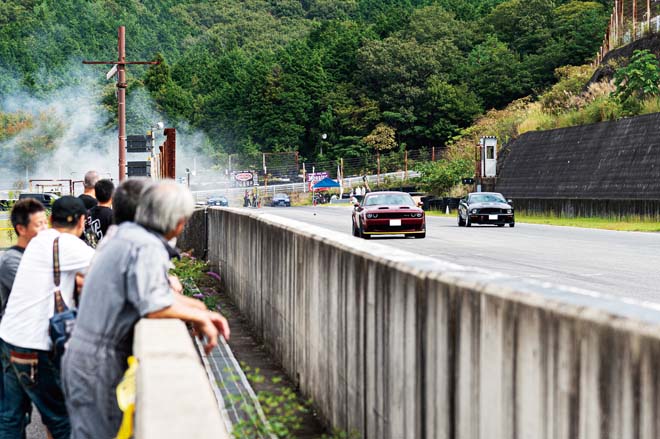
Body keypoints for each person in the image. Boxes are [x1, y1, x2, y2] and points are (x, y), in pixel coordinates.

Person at [62, 181, 230, 439]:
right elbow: (153, 302)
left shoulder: (127, 233)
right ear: (179, 222)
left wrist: (199, 309)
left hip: (86, 354)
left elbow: (156, 292)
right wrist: (200, 315)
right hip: (96, 362)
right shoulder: (146, 246)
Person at [0, 196, 94, 439]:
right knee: (61, 418)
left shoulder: (41, 241)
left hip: (10, 338)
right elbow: (113, 270)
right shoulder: (67, 245)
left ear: (51, 220)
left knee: (11, 416)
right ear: (83, 221)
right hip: (32, 345)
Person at [0, 198, 48, 438]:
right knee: (13, 413)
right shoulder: (12, 261)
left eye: (45, 222)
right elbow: (43, 291)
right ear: (21, 229)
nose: (44, 229)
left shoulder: (34, 256)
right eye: (39, 224)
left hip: (25, 339)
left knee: (16, 411)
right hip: (12, 342)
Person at [84, 179, 114, 247]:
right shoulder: (113, 216)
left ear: (95, 194)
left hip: (89, 253)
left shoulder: (87, 214)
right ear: (112, 195)